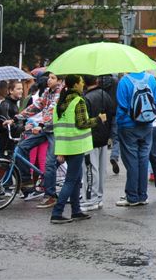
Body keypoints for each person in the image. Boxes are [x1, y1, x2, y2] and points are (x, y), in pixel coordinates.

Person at [50, 74, 105, 223]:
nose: (83, 84)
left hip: (64, 145)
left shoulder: (60, 102)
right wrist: (99, 119)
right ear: (75, 85)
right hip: (76, 145)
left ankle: (76, 211)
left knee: (76, 179)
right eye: (81, 82)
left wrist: (60, 150)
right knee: (70, 181)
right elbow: (82, 123)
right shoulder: (78, 101)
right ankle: (57, 213)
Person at [13, 71, 62, 206]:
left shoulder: (61, 92)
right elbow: (37, 106)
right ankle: (27, 181)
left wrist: (40, 125)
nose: (49, 80)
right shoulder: (47, 91)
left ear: (59, 81)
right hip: (45, 128)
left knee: (49, 163)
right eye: (49, 77)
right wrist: (16, 118)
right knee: (21, 147)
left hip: (55, 131)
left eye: (53, 78)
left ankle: (50, 195)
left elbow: (52, 109)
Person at [115, 69, 156, 207]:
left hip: (128, 126)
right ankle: (142, 195)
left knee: (131, 161)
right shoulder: (151, 79)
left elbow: (122, 105)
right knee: (143, 159)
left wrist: (119, 122)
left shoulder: (124, 81)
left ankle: (132, 196)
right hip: (147, 124)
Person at [81, 75, 115, 211]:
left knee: (90, 169)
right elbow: (111, 113)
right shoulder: (105, 95)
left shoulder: (85, 98)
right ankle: (99, 197)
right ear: (96, 80)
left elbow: (84, 121)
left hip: (90, 138)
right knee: (101, 169)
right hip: (104, 136)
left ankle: (90, 199)